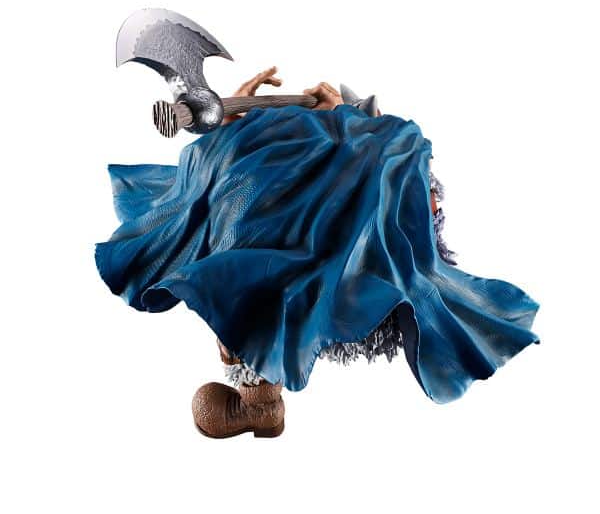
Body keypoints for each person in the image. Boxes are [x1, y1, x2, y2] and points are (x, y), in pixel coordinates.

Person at [96, 67, 539, 439]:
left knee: (249, 241)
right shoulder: (254, 175)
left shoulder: (360, 177)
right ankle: (258, 386)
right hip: (308, 195)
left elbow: (392, 164)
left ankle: (259, 388)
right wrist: (238, 122)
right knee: (235, 218)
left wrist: (349, 119)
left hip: (346, 213)